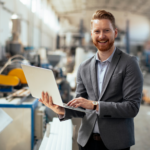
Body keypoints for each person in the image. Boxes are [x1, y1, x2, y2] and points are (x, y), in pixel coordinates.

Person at [39, 10, 143, 150]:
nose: (101, 36)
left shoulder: (129, 63)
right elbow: (81, 107)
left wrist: (95, 105)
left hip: (116, 144)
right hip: (86, 142)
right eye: (97, 31)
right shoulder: (84, 67)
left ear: (115, 33)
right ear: (91, 34)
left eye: (106, 30)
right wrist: (60, 109)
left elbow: (132, 107)